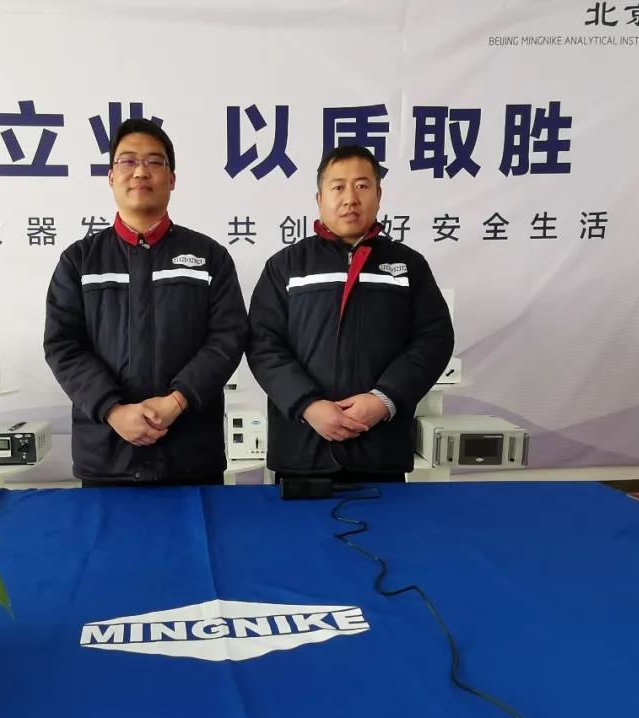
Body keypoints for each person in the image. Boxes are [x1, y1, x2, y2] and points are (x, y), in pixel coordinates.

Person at [44, 119, 248, 487]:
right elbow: (63, 345)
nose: (140, 172)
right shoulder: (80, 261)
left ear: (172, 178)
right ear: (111, 177)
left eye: (154, 162)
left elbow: (227, 338)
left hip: (190, 453)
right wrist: (113, 410)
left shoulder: (209, 257)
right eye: (128, 161)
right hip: (107, 454)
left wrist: (177, 401)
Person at [246, 144, 454, 483]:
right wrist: (308, 405)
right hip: (303, 449)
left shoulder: (408, 266)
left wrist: (383, 400)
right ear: (319, 198)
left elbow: (434, 340)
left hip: (380, 448)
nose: (350, 198)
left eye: (361, 186)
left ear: (378, 195)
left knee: (385, 520)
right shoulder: (286, 266)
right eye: (338, 187)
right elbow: (262, 344)